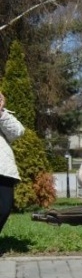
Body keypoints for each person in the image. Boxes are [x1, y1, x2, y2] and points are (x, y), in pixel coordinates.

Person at [0, 92, 24, 239]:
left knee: (4, 207)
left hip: (2, 169)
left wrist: (1, 113)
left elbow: (17, 132)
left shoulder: (3, 115)